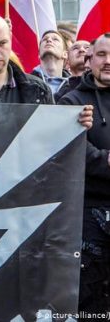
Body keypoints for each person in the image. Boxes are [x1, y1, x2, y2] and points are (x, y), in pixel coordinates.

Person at [59, 33, 110, 312]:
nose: (108, 61)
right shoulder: (72, 101)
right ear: (89, 59)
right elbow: (70, 149)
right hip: (87, 215)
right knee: (90, 298)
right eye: (102, 54)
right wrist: (106, 161)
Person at [30, 30, 69, 94]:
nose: (49, 40)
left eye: (55, 39)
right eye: (45, 39)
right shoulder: (25, 82)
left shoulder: (75, 86)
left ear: (65, 54)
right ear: (39, 54)